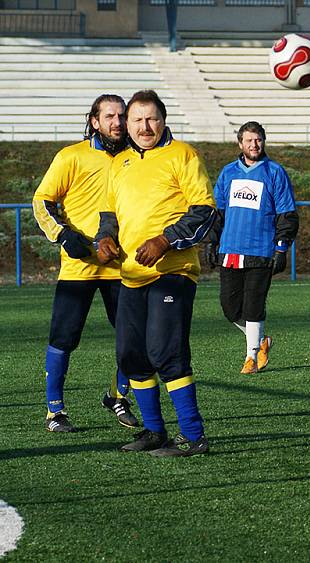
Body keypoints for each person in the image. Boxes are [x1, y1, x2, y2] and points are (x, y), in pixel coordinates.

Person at [95, 89, 216, 457]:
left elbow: (204, 211)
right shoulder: (120, 164)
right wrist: (104, 239)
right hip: (131, 274)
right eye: (136, 120)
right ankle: (153, 431)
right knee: (132, 355)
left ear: (164, 121)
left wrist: (165, 241)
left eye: (151, 119)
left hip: (173, 271)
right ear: (127, 125)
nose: (144, 126)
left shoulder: (184, 155)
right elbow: (109, 215)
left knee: (166, 351)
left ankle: (194, 437)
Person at [33, 93, 138, 433]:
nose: (117, 122)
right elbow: (42, 201)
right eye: (109, 116)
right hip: (78, 267)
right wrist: (63, 235)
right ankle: (55, 411)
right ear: (95, 121)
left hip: (121, 266)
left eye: (122, 116)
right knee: (63, 338)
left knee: (132, 338)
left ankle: (118, 396)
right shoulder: (71, 157)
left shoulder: (135, 159)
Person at [207, 121, 299, 373]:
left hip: (261, 251)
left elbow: (287, 214)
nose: (253, 144)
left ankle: (251, 357)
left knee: (253, 305)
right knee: (229, 307)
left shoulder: (275, 172)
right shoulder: (228, 173)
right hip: (230, 250)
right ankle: (261, 341)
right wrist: (213, 241)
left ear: (263, 141)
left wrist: (281, 248)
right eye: (248, 140)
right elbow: (218, 213)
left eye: (257, 140)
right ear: (240, 143)